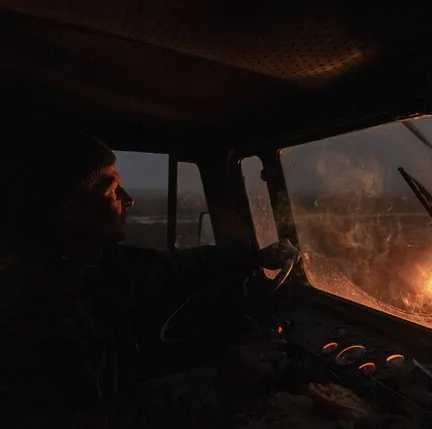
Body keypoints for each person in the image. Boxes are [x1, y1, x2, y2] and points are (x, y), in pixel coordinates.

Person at [0, 129, 296, 427]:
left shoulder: (88, 264)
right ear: (70, 210)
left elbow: (169, 267)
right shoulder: (28, 303)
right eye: (113, 190)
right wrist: (220, 386)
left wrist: (252, 257)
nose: (128, 200)